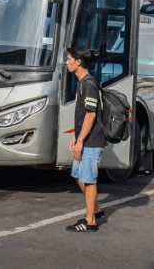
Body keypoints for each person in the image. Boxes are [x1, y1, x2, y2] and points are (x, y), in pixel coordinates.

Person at [65, 45, 106, 232]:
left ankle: (90, 221)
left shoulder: (88, 84)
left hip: (91, 141)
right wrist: (76, 136)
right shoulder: (82, 83)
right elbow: (83, 116)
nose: (66, 63)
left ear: (78, 62)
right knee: (78, 176)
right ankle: (96, 209)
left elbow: (91, 115)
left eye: (69, 60)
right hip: (84, 139)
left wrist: (81, 140)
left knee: (89, 180)